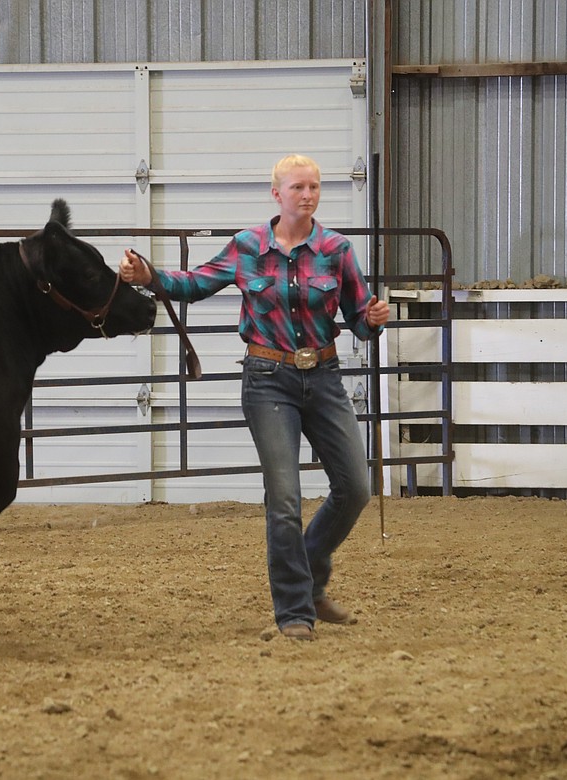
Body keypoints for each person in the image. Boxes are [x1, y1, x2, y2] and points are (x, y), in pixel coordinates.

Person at [119, 154, 390, 640]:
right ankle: (294, 613)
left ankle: (307, 575)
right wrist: (149, 277)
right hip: (268, 379)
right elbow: (195, 284)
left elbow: (357, 316)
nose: (307, 195)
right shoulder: (247, 247)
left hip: (324, 374)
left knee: (356, 488)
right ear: (277, 193)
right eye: (297, 187)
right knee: (283, 497)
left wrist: (371, 321)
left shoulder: (337, 249)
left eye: (314, 187)